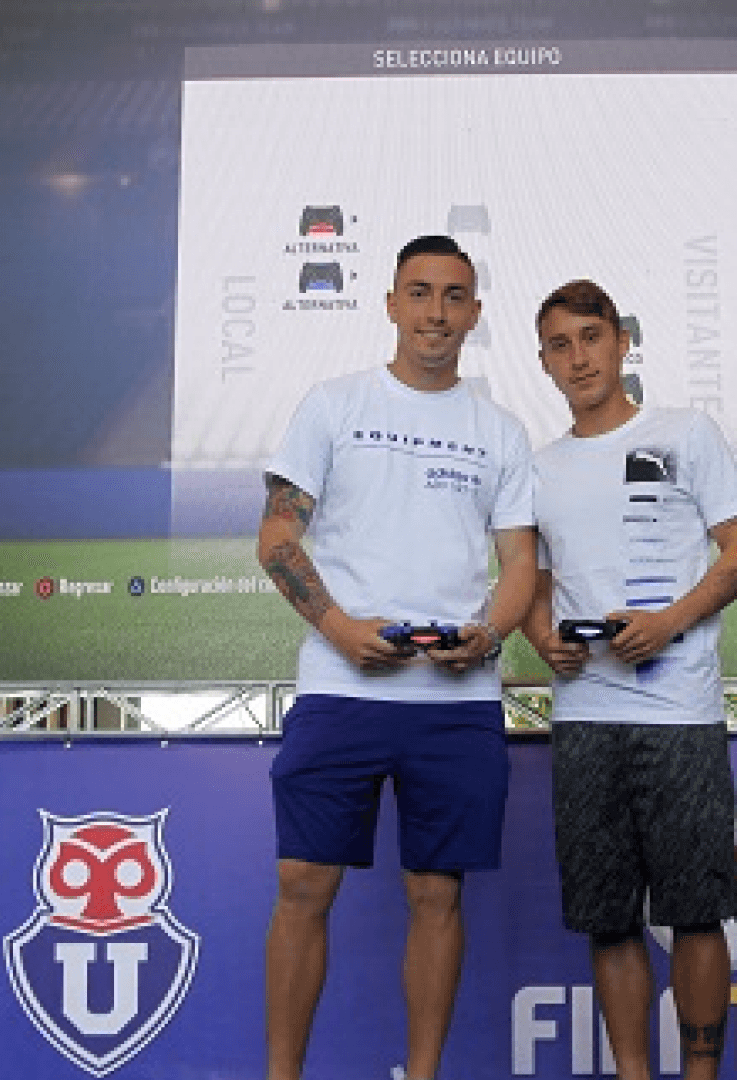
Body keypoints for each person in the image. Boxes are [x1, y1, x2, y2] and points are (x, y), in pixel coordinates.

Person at [256, 235, 537, 1080]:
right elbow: (277, 538)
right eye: (419, 293)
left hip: (456, 702)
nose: (435, 313)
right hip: (340, 689)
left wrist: (488, 634)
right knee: (303, 884)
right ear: (390, 304)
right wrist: (340, 630)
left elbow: (521, 565)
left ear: (474, 313)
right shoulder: (333, 404)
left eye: (453, 296)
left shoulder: (499, 430)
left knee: (436, 894)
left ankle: (423, 1075)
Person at [522, 279, 737, 1080]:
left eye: (591, 338)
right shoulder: (539, 469)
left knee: (696, 914)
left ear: (621, 342)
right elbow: (533, 587)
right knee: (609, 920)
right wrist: (543, 638)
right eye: (560, 345)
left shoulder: (685, 433)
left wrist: (669, 623)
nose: (579, 358)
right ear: (545, 363)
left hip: (681, 714)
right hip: (585, 718)